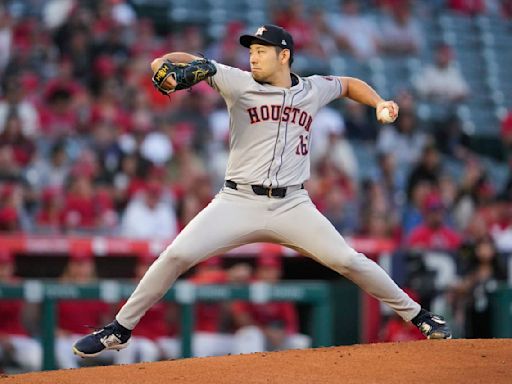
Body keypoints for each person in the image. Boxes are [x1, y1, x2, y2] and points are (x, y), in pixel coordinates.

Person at [73, 24, 451, 359]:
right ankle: (119, 329)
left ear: (283, 55)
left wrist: (380, 102)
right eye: (250, 50)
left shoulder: (313, 89)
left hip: (292, 204)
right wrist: (163, 66)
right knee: (175, 256)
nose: (252, 57)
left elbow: (349, 84)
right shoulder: (237, 81)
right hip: (237, 201)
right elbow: (172, 60)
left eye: (260, 51)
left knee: (350, 261)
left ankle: (418, 315)